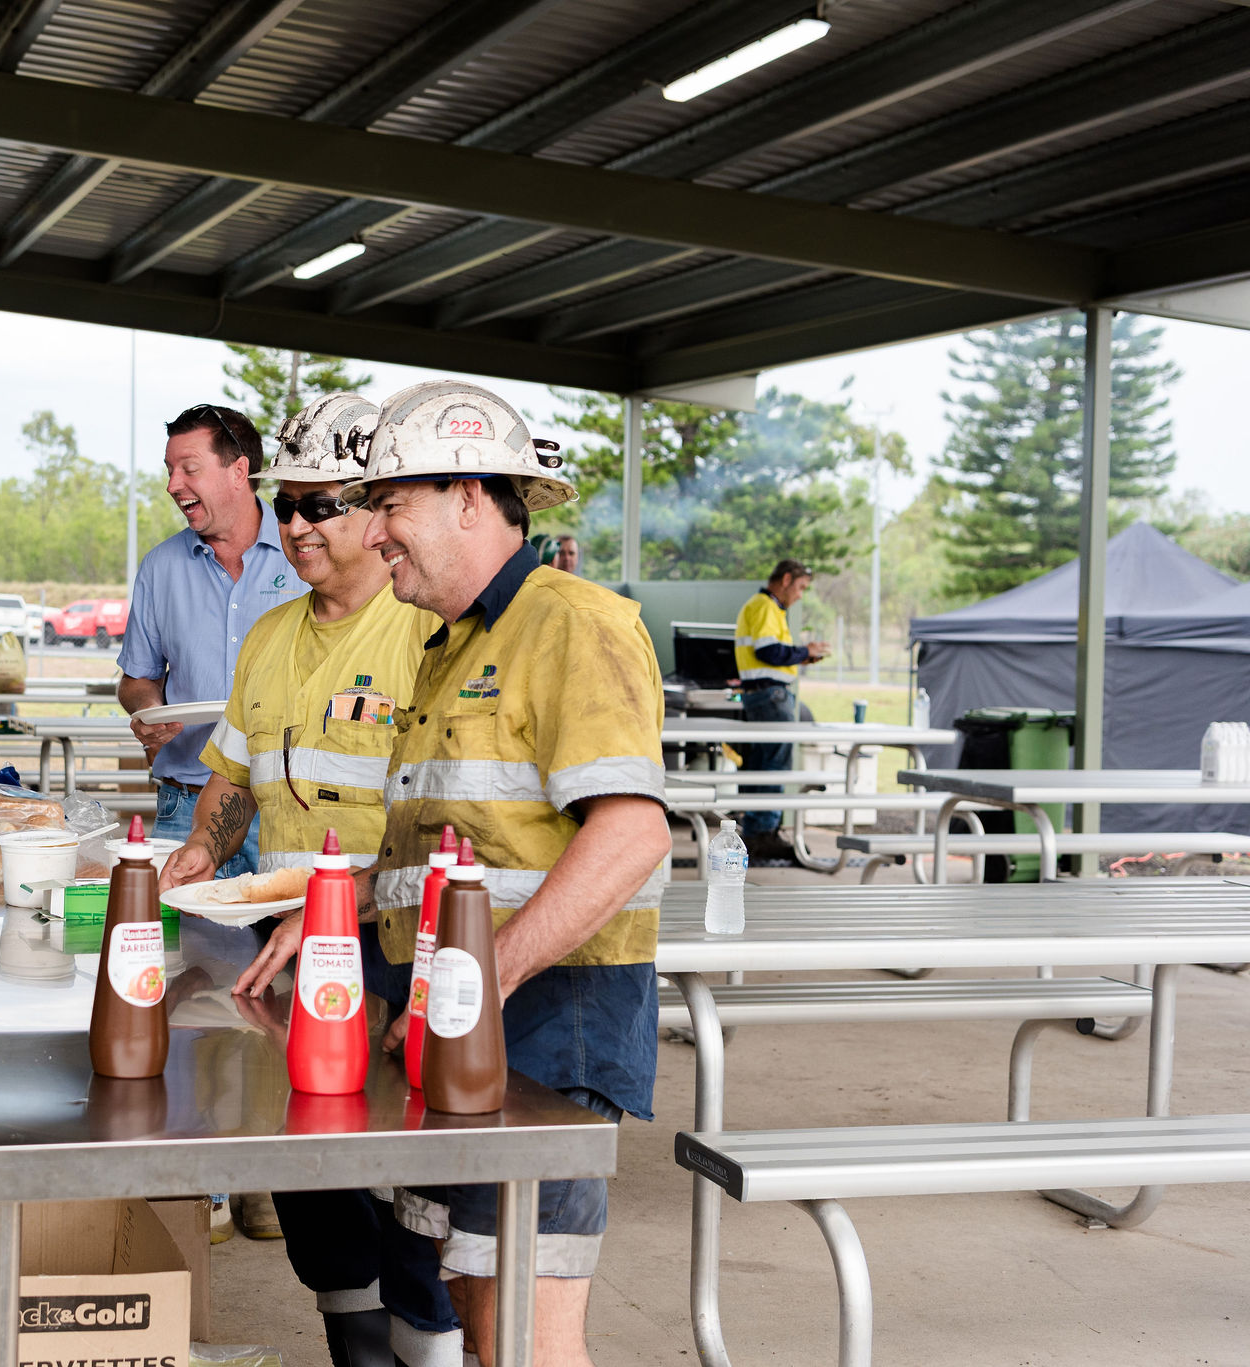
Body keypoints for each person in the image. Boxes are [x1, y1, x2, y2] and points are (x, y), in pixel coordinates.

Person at [351, 379, 672, 1367]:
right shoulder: (451, 645)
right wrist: (329, 910)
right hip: (460, 1015)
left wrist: (486, 975)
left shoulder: (571, 620)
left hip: (546, 1016)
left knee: (520, 1326)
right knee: (472, 1291)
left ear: (466, 494)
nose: (373, 532)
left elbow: (631, 832)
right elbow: (451, 843)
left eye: (388, 503)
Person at [161, 394, 455, 1367]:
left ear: (375, 513)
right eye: (285, 505)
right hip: (277, 940)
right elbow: (233, 774)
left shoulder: (423, 634)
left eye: (319, 505)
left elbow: (448, 813)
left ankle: (419, 1344)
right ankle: (353, 1345)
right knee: (305, 1169)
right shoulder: (271, 635)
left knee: (403, 1181)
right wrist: (203, 849)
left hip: (389, 941)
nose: (294, 526)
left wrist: (352, 906)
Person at [120, 403, 307, 877]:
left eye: (189, 468)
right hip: (183, 805)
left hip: (285, 805)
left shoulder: (306, 553)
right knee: (176, 926)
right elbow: (136, 679)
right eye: (169, 469)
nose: (172, 484)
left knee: (283, 925)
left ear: (239, 471)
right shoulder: (159, 567)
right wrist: (148, 712)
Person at [732, 559, 829, 865]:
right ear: (786, 580)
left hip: (763, 695)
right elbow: (768, 651)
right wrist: (805, 651)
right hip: (771, 696)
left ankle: (757, 831)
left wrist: (801, 657)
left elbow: (771, 653)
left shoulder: (765, 607)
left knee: (763, 762)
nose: (800, 595)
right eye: (800, 587)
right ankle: (763, 832)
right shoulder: (765, 606)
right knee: (774, 763)